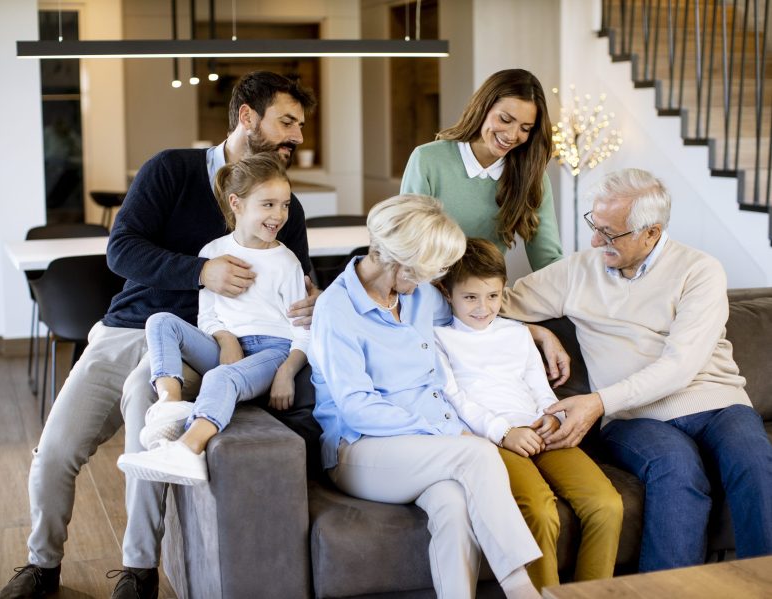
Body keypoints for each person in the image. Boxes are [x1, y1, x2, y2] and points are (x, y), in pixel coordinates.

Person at [0, 71, 319, 599]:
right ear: (246, 118)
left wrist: (313, 301)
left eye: (300, 126)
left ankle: (138, 570)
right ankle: (41, 563)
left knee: (146, 411)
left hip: (202, 345)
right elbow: (120, 249)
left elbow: (297, 283)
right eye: (287, 122)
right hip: (125, 327)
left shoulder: (286, 206)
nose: (298, 137)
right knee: (55, 450)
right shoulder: (172, 169)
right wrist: (199, 271)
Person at [499, 168, 772, 573]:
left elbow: (680, 366)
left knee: (754, 459)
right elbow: (489, 305)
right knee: (676, 469)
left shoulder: (700, 270)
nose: (595, 241)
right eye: (595, 225)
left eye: (610, 233)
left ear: (651, 232)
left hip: (714, 401)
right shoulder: (576, 271)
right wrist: (535, 330)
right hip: (635, 417)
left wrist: (597, 401)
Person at [309, 194, 544, 599]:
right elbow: (357, 408)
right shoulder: (336, 311)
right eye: (426, 269)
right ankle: (521, 588)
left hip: (422, 451)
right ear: (397, 260)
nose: (432, 280)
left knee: (453, 506)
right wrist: (445, 432)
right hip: (361, 450)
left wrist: (540, 333)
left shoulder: (417, 295)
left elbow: (475, 317)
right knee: (478, 453)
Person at [434, 238, 623, 590]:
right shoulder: (439, 339)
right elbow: (456, 400)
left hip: (541, 427)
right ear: (447, 293)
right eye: (470, 297)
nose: (483, 307)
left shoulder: (517, 333)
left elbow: (539, 387)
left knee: (606, 504)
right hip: (493, 440)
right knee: (539, 510)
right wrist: (505, 432)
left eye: (493, 296)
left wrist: (552, 416)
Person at [117, 152, 309, 485]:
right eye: (268, 204)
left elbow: (304, 329)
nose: (279, 215)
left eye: (285, 205)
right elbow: (207, 315)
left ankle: (188, 450)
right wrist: (226, 338)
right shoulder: (213, 252)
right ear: (236, 204)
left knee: (220, 379)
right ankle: (169, 405)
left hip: (272, 352)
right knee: (160, 321)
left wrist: (286, 371)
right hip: (224, 347)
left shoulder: (287, 262)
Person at [400, 68, 563, 273]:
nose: (512, 135)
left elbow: (547, 259)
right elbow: (408, 244)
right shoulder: (428, 160)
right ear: (483, 108)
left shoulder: (532, 177)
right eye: (505, 119)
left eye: (525, 128)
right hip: (427, 291)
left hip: (485, 297)